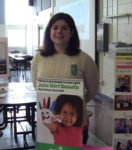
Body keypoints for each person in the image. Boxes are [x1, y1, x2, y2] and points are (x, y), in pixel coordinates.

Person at [31, 12, 99, 144]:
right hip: (50, 124)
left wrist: (76, 103)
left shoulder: (84, 59)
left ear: (72, 32)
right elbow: (37, 86)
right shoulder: (38, 59)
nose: (59, 31)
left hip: (76, 123)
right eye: (55, 27)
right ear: (49, 31)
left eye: (64, 28)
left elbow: (92, 89)